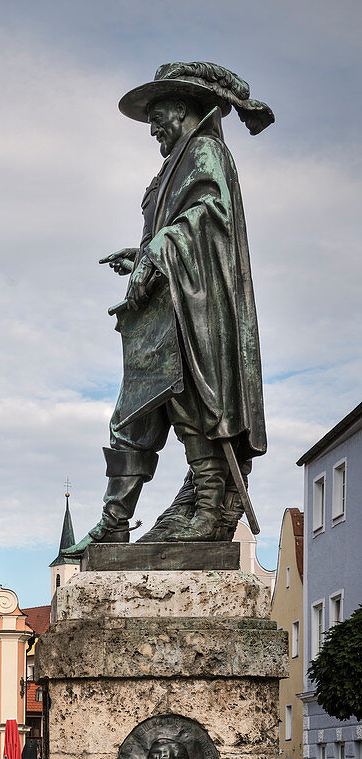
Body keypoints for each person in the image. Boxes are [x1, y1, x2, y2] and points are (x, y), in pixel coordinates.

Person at [66, 61, 274, 552]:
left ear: (182, 111)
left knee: (190, 405)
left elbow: (208, 214)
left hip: (192, 306)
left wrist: (155, 252)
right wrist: (142, 254)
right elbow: (180, 225)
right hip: (167, 306)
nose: (154, 128)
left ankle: (207, 507)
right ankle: (114, 521)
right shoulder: (179, 159)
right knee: (132, 416)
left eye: (159, 117)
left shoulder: (205, 150)